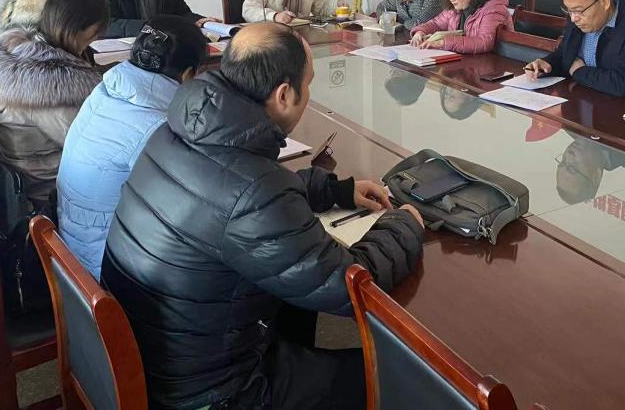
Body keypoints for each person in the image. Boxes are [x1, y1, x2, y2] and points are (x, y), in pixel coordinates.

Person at [101, 23, 424, 410]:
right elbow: (345, 287)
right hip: (217, 393)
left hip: (164, 354)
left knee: (298, 313)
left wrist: (332, 189)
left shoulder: (179, 131)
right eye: (309, 84)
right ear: (284, 94)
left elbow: (230, 194)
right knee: (406, 379)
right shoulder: (256, 191)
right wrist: (403, 224)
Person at [56, 16, 207, 279]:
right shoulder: (157, 126)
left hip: (75, 246)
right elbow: (188, 206)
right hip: (106, 269)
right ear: (189, 74)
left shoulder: (106, 90)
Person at [0, 0, 108, 207]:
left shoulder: (22, 56)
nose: (94, 39)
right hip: (47, 188)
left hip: (27, 167)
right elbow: (92, 147)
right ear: (75, 28)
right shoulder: (53, 85)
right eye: (94, 33)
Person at [409, 0, 513, 54]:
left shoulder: (493, 9)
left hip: (492, 63)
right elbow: (436, 23)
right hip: (465, 59)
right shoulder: (456, 7)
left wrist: (443, 43)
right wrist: (420, 32)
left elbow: (484, 42)